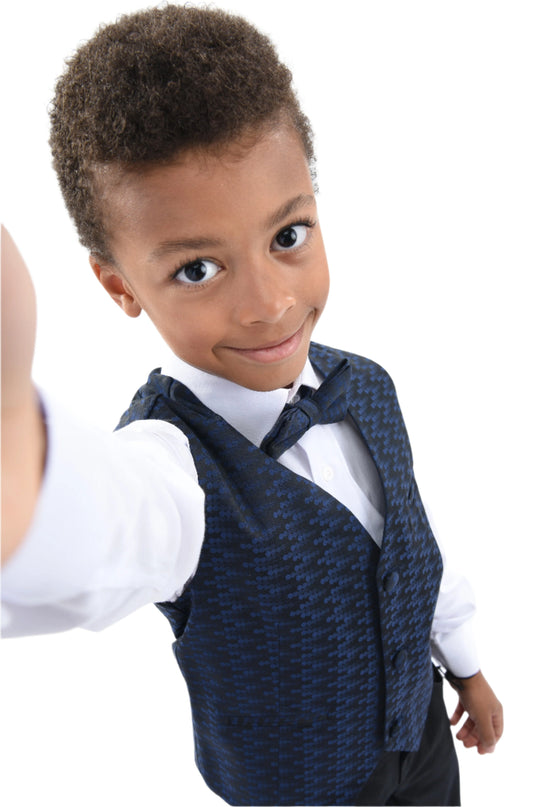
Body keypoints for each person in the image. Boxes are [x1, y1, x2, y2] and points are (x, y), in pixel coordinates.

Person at [1, 4, 503, 805]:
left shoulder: (365, 384)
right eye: (198, 269)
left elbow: (412, 543)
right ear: (119, 285)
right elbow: (107, 530)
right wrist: (14, 454)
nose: (269, 305)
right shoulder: (172, 468)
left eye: (287, 236)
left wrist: (467, 665)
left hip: (422, 740)